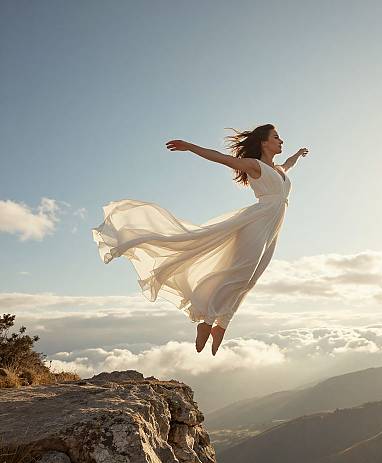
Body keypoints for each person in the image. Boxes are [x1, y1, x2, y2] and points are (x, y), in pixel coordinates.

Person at [92, 123, 308, 355]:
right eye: (276, 137)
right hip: (256, 223)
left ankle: (221, 325)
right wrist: (190, 147)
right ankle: (207, 323)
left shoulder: (279, 170)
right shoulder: (253, 166)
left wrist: (298, 155)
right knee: (241, 272)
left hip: (272, 228)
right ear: (264, 142)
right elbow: (221, 158)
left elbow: (289, 165)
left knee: (251, 278)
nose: (281, 141)